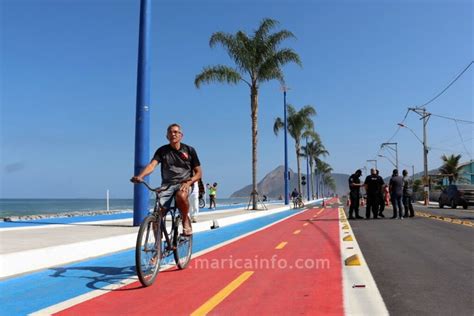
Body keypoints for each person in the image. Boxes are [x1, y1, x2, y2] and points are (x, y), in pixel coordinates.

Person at [131, 123, 202, 235]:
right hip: (167, 185)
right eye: (170, 132)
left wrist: (189, 182)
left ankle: (185, 220)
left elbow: (199, 173)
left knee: (181, 195)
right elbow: (152, 165)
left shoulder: (189, 150)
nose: (173, 134)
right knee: (157, 216)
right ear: (167, 136)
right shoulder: (162, 151)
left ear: (181, 135)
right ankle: (157, 248)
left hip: (185, 183)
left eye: (176, 132)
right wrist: (141, 176)